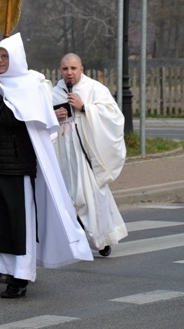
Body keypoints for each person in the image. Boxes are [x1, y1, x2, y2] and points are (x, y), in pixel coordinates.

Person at [0, 33, 92, 299]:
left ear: (16, 59)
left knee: (16, 225)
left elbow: (12, 117)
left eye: (5, 56)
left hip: (17, 165)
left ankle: (18, 278)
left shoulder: (31, 84)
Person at [52, 53, 128, 257]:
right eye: (65, 69)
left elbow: (114, 116)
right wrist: (53, 116)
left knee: (93, 196)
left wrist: (85, 108)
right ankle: (72, 240)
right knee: (67, 196)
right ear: (60, 70)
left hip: (86, 154)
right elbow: (43, 121)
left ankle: (102, 239)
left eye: (73, 68)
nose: (69, 73)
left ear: (81, 69)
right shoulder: (55, 92)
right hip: (63, 154)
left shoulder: (94, 88)